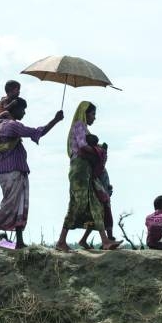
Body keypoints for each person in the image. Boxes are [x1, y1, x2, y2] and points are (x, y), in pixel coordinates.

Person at [0, 97, 63, 250]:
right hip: (13, 170)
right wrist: (55, 120)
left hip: (10, 170)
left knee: (19, 204)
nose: (24, 113)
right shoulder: (12, 126)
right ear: (15, 110)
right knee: (9, 205)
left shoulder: (1, 125)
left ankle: (19, 241)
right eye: (23, 109)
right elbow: (36, 132)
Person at [56, 101, 120, 252]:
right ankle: (61, 241)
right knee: (76, 204)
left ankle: (105, 241)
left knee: (97, 202)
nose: (94, 118)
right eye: (92, 114)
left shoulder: (85, 129)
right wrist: (98, 151)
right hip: (79, 170)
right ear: (85, 113)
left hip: (87, 171)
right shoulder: (79, 125)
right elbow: (83, 146)